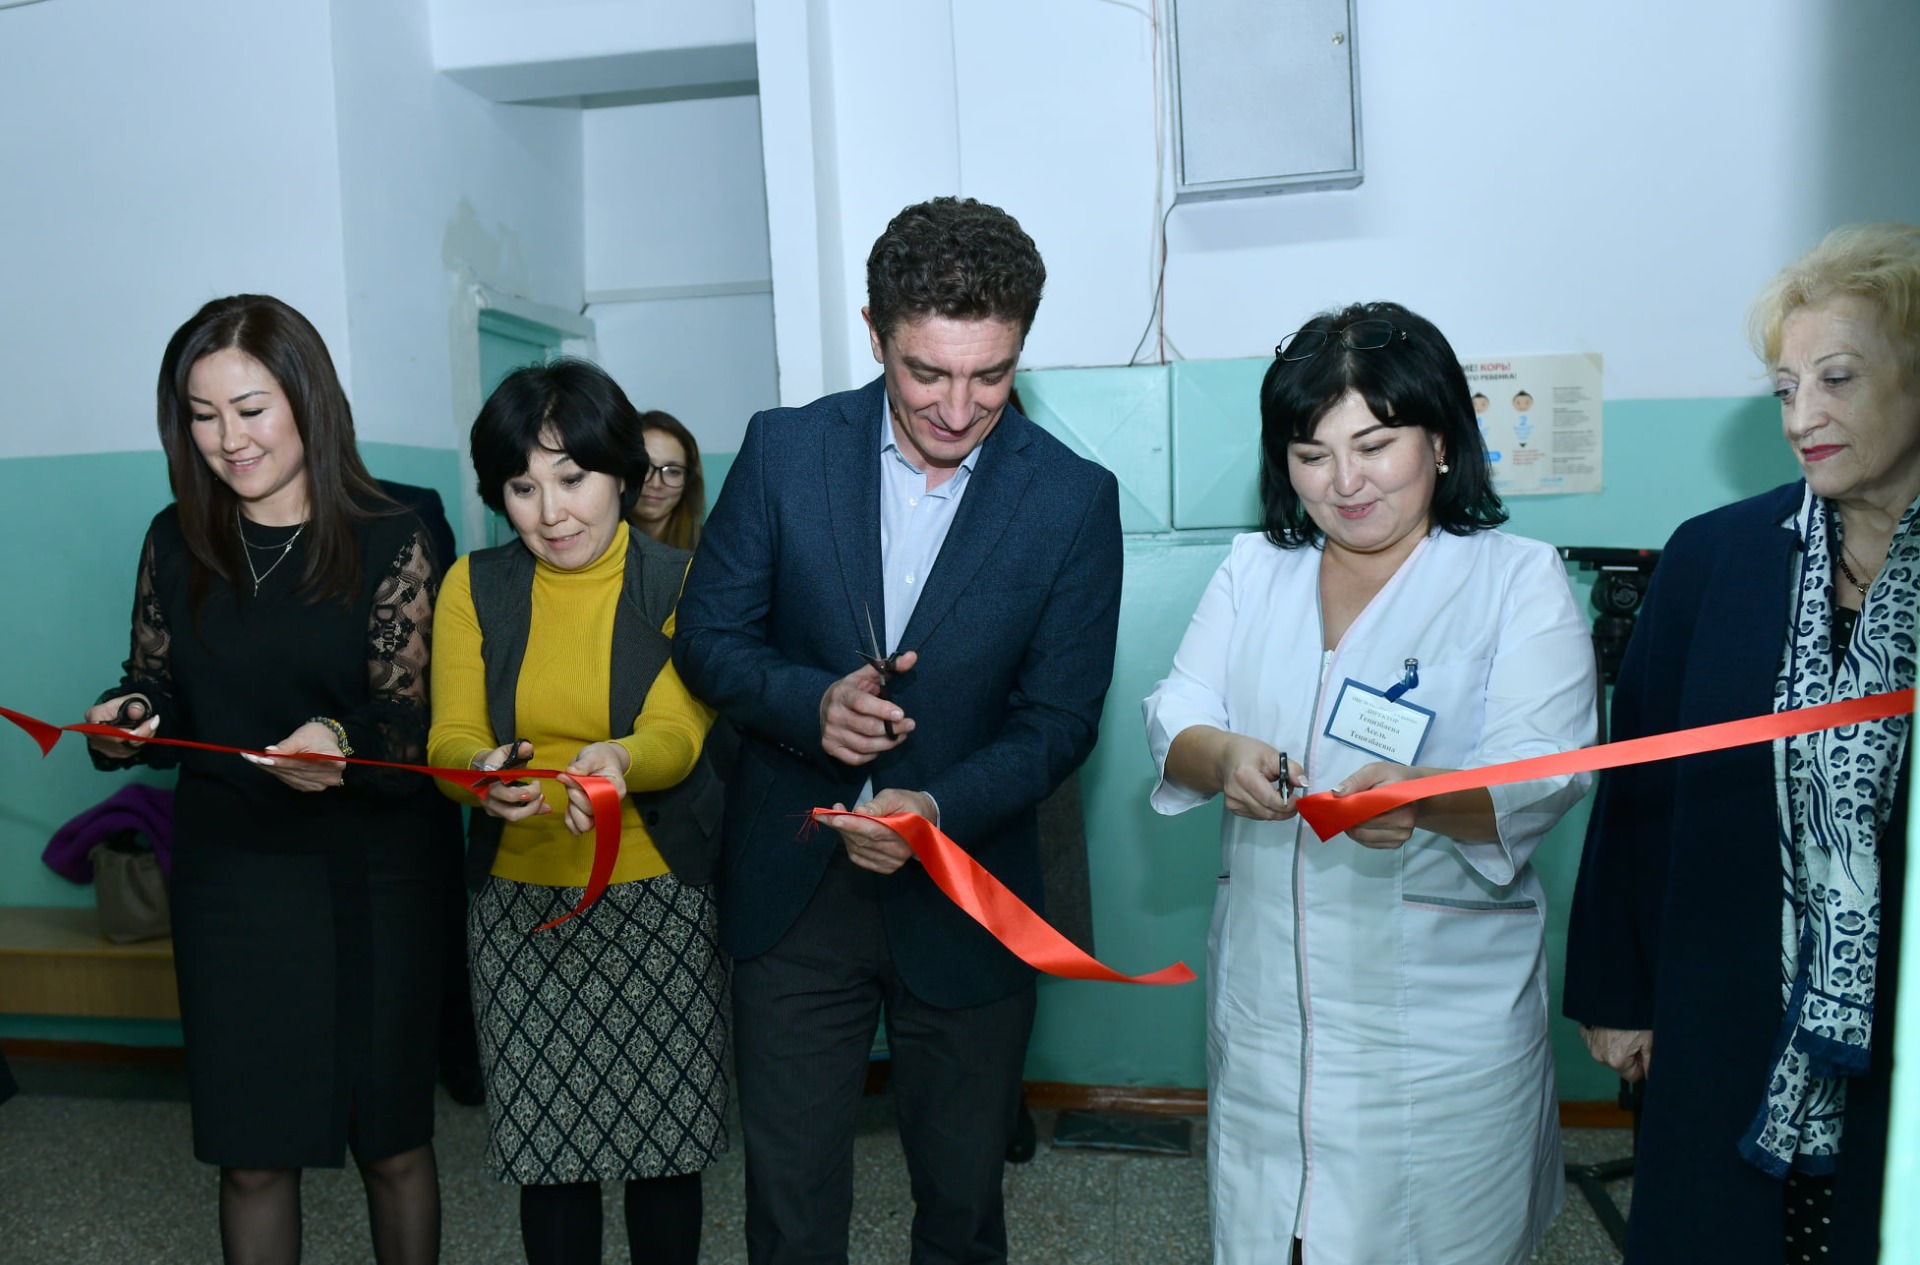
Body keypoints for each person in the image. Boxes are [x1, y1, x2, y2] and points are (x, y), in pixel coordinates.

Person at [673, 196, 1123, 1265]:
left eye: (991, 374)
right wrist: (811, 705)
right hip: (794, 886)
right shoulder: (785, 451)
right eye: (927, 372)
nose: (959, 408)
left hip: (967, 888)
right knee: (789, 1210)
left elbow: (1060, 720)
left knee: (961, 1210)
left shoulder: (1072, 500)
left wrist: (935, 806)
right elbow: (709, 640)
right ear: (875, 332)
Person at [1143, 301, 1597, 1265]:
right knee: (1274, 1237)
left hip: (1439, 1030)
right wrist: (1223, 757)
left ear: (1442, 442)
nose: (1344, 483)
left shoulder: (1515, 580)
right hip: (1269, 1018)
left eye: (1375, 446)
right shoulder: (1254, 570)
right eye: (1312, 455)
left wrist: (1421, 798)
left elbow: (1545, 768)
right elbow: (1175, 712)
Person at [1563, 223, 1920, 1262]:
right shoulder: (1714, 558)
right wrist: (1620, 991)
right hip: (1726, 1004)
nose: (1803, 417)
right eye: (1785, 388)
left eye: (1838, 378)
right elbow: (1636, 790)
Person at [82, 294, 445, 1265]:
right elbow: (158, 684)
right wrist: (130, 718)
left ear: (307, 400)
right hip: (232, 878)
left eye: (249, 409)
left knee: (391, 1142)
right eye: (202, 416)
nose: (228, 439)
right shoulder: (175, 538)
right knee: (249, 1154)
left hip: (371, 876)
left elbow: (411, 721)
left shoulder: (396, 527)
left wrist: (338, 735)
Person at [428, 358, 729, 1265]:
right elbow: (451, 736)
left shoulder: (683, 579)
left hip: (658, 902)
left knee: (664, 1151)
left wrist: (621, 760)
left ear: (623, 475)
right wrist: (478, 775)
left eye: (572, 478)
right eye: (522, 487)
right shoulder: (473, 586)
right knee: (549, 1158)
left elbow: (678, 728)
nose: (550, 512)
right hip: (519, 913)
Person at [627, 409, 707, 549]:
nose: (656, 484)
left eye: (672, 471)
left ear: (688, 481)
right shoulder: (599, 544)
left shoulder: (708, 548)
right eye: (645, 467)